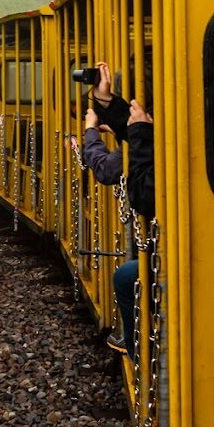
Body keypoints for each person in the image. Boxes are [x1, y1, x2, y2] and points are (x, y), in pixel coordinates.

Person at [75, 62, 155, 358]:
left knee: (125, 276)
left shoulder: (148, 137)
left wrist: (90, 133)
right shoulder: (153, 128)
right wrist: (107, 102)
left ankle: (140, 356)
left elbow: (111, 172)